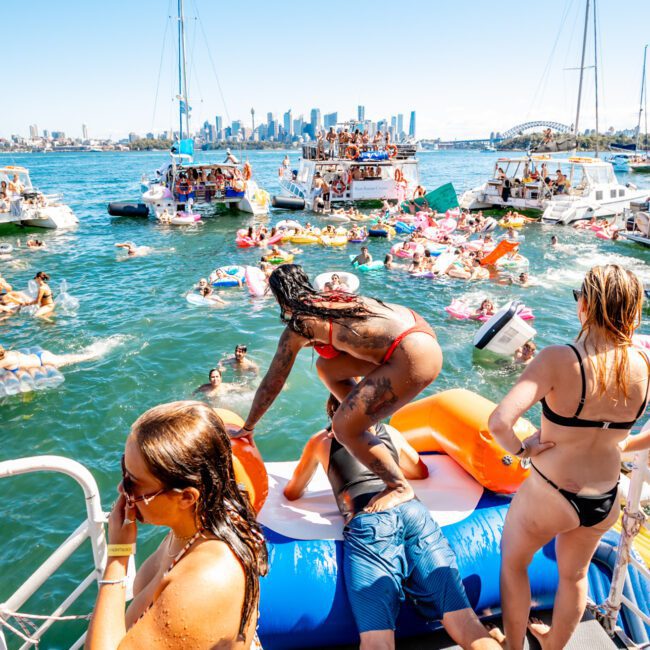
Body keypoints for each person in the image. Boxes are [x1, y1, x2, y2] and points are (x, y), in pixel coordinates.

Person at [488, 265, 650, 650]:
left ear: (587, 304)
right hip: (606, 498)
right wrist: (619, 446)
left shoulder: (558, 358)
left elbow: (499, 422)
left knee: (513, 565)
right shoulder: (644, 365)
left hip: (551, 493)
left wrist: (521, 450)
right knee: (575, 577)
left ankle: (513, 647)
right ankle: (554, 644)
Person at [284, 395, 501, 650]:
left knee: (378, 642)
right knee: (465, 623)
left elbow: (293, 491)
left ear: (331, 410)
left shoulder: (322, 441)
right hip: (412, 511)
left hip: (370, 521)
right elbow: (420, 471)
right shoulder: (389, 432)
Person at [234, 264, 442, 512]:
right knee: (327, 367)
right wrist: (341, 398)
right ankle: (365, 423)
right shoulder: (334, 299)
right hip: (419, 334)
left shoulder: (302, 323)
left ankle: (398, 486)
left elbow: (273, 382)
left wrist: (248, 427)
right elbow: (358, 344)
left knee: (343, 428)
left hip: (413, 356)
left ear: (280, 296)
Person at [86, 401, 267, 649]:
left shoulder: (206, 581)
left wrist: (118, 556)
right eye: (123, 470)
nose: (121, 488)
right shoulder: (195, 524)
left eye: (133, 483)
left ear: (186, 497)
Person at [0, 342, 105, 374]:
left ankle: (100, 351)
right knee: (71, 357)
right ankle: (91, 351)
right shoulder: (7, 354)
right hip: (40, 355)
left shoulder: (6, 360)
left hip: (44, 361)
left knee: (81, 358)